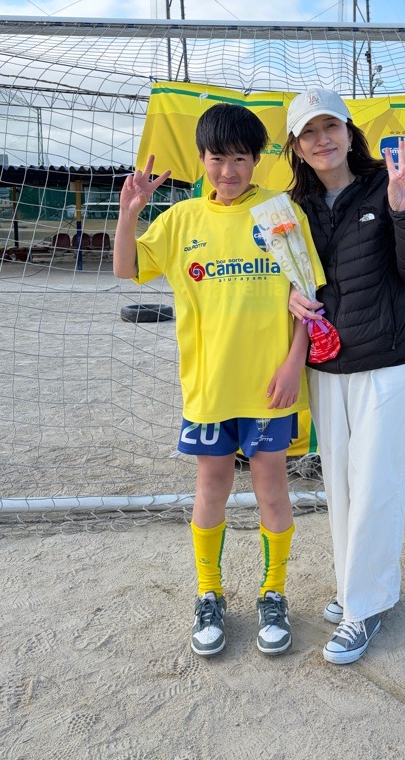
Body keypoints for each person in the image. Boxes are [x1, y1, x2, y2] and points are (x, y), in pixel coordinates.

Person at [114, 103, 324, 658]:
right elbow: (125, 268)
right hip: (209, 388)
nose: (227, 171)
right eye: (216, 159)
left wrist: (293, 363)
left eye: (239, 159)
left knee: (272, 487)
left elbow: (307, 297)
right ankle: (209, 592)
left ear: (257, 160)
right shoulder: (181, 219)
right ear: (201, 160)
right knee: (211, 487)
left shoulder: (280, 213)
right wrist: (130, 213)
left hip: (270, 386)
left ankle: (273, 592)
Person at [285, 88, 405, 665]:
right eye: (309, 131)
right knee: (341, 485)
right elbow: (291, 280)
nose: (322, 139)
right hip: (328, 364)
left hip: (388, 361)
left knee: (376, 484)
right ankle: (356, 585)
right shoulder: (292, 207)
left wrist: (404, 209)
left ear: (350, 132)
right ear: (296, 146)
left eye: (331, 126)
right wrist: (289, 298)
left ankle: (364, 607)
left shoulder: (385, 185)